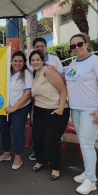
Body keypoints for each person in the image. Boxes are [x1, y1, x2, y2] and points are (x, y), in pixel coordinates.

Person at [65, 33, 98, 194]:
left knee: (86, 144)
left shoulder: (96, 61)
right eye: (73, 46)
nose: (76, 48)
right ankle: (88, 172)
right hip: (76, 109)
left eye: (79, 44)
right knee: (86, 144)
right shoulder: (73, 63)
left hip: (91, 110)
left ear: (86, 44)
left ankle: (91, 180)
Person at [29, 51, 70, 181]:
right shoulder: (36, 74)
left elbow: (63, 90)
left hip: (55, 110)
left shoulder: (48, 71)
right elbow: (36, 97)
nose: (35, 62)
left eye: (37, 60)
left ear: (42, 60)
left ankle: (55, 167)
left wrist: (61, 109)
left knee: (50, 140)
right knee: (37, 138)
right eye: (33, 60)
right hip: (40, 110)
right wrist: (33, 113)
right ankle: (41, 161)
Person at [0, 51, 33, 169]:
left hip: (20, 107)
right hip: (5, 107)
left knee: (18, 131)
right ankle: (6, 153)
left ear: (24, 62)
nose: (17, 63)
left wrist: (14, 108)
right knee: (3, 129)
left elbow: (27, 94)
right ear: (11, 61)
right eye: (15, 60)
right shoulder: (5, 71)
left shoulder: (26, 73)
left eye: (20, 61)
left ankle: (18, 157)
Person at [28, 37, 63, 161]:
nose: (40, 48)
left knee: (50, 135)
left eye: (42, 46)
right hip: (36, 97)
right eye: (37, 46)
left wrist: (54, 72)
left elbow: (62, 81)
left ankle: (50, 156)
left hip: (52, 102)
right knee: (36, 129)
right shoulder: (31, 62)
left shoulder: (54, 60)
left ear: (46, 47)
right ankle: (37, 153)